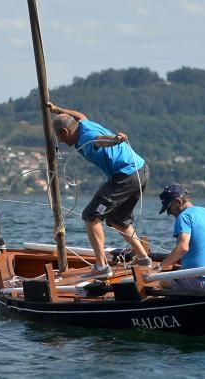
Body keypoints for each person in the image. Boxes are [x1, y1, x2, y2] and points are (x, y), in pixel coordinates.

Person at [48, 102, 152, 278]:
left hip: (126, 176)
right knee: (118, 220)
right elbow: (80, 115)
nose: (63, 143)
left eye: (61, 139)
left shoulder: (86, 138)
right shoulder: (82, 124)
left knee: (91, 216)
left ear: (65, 132)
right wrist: (58, 110)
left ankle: (102, 267)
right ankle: (143, 259)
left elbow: (99, 141)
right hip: (141, 171)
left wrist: (114, 140)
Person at [156, 183, 205, 290]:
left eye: (169, 209)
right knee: (179, 272)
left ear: (178, 202)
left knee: (162, 280)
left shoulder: (184, 217)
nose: (169, 213)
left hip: (199, 284)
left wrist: (159, 268)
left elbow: (183, 248)